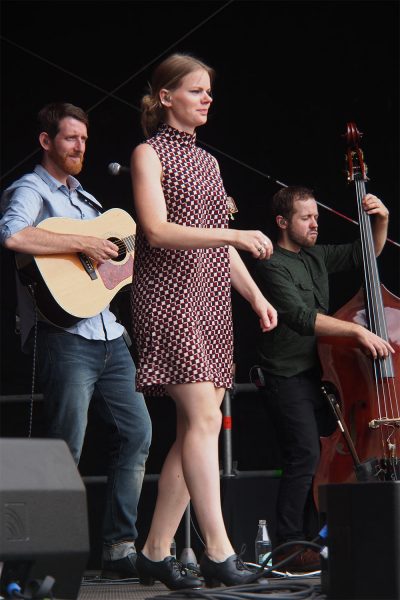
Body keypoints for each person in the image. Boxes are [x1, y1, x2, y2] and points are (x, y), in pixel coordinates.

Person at [130, 53, 278, 589]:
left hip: (210, 299)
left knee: (197, 427)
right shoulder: (148, 154)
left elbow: (220, 243)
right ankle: (218, 550)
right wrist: (234, 234)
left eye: (208, 91)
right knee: (203, 423)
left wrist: (256, 296)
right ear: (166, 97)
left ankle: (153, 550)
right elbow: (156, 231)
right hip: (169, 298)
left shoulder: (209, 163)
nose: (207, 98)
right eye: (196, 90)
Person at [0, 102, 152, 579]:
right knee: (67, 445)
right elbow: (12, 236)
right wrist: (80, 245)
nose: (80, 147)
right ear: (46, 141)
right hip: (64, 337)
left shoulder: (87, 201)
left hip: (109, 334)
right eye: (70, 138)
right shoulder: (29, 188)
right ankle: (44, 562)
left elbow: (106, 271)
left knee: (139, 433)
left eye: (84, 140)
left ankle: (119, 547)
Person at [253, 185, 393, 571]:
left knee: (333, 458)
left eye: (316, 216)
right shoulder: (271, 265)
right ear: (283, 223)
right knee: (304, 455)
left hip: (320, 374)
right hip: (285, 376)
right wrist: (358, 332)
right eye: (305, 218)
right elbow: (299, 317)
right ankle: (287, 548)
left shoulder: (315, 255)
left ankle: (322, 543)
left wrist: (380, 220)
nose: (315, 223)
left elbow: (365, 253)